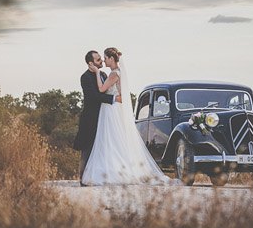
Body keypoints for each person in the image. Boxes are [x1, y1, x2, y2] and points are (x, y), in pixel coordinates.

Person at [81, 47, 182, 186]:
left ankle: (113, 171)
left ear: (111, 59)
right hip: (108, 110)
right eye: (99, 59)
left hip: (111, 111)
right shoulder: (109, 73)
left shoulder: (111, 74)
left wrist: (98, 73)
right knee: (109, 140)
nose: (103, 60)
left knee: (111, 139)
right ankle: (110, 168)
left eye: (104, 58)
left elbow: (101, 90)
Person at [73, 50, 122, 187]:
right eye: (98, 60)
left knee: (101, 147)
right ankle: (83, 179)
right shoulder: (86, 77)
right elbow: (94, 96)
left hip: (104, 117)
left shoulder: (104, 74)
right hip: (90, 117)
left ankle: (97, 176)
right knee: (87, 148)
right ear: (91, 63)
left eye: (101, 59)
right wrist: (114, 99)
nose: (101, 62)